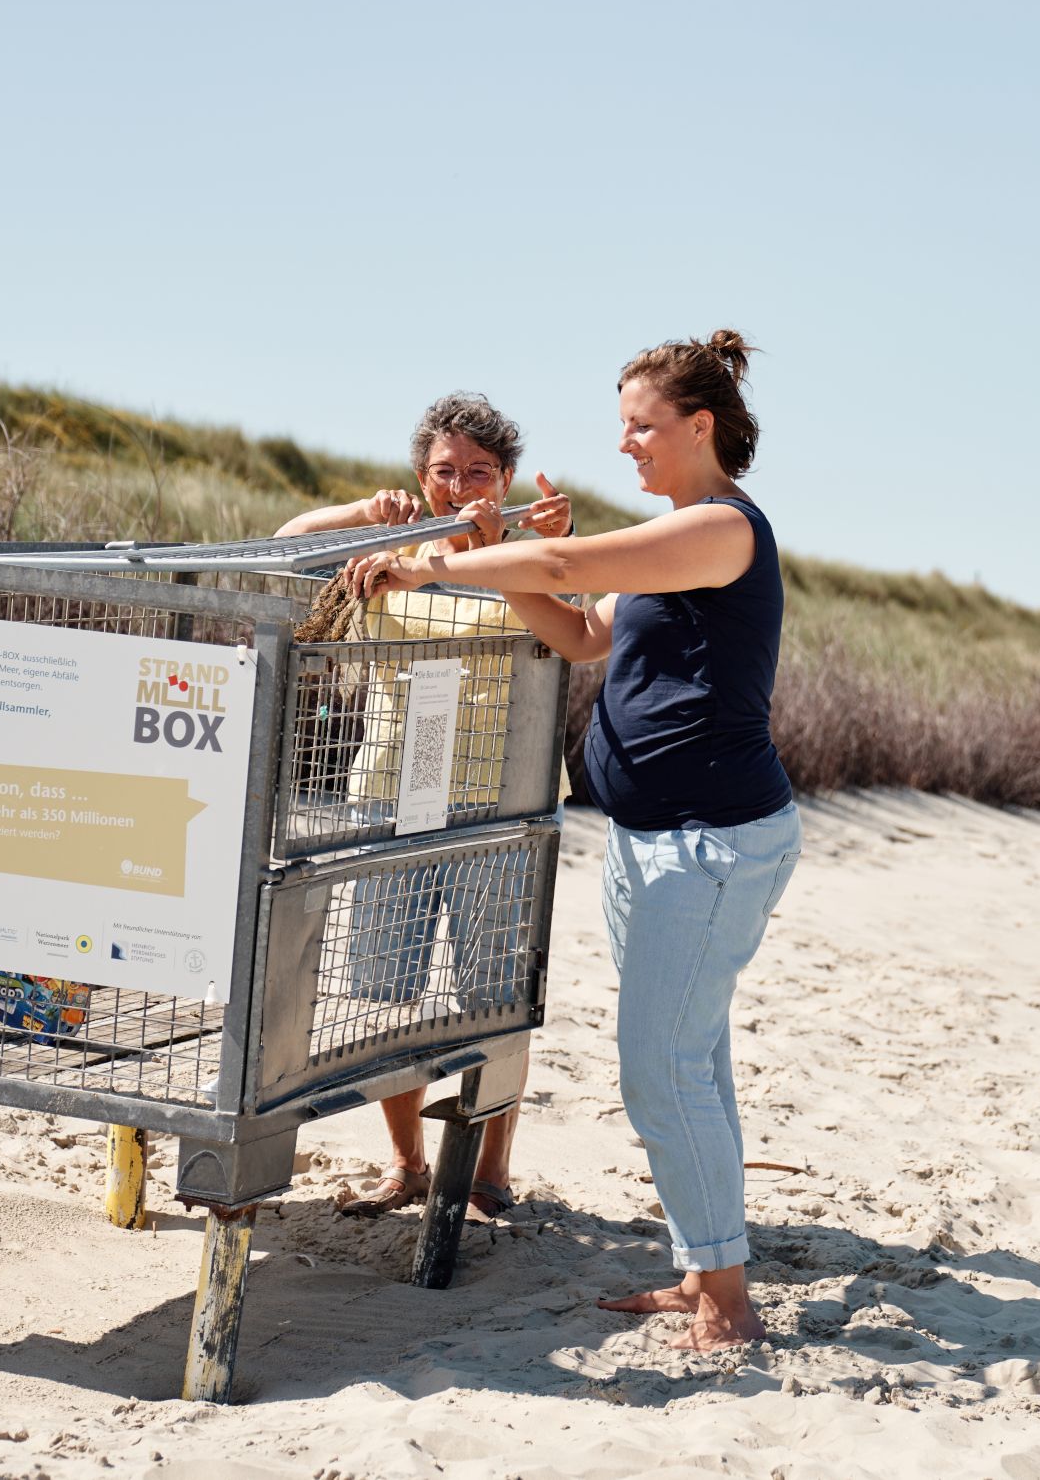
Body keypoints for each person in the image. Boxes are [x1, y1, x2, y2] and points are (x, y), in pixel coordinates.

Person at [353, 329, 798, 1352]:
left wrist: (427, 565)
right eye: (622, 425)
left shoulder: (722, 531)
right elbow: (581, 628)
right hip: (651, 841)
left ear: (698, 425)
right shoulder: (673, 531)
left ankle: (725, 1301)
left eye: (640, 425)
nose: (626, 444)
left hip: (712, 842)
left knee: (660, 1070)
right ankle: (703, 1266)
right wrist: (480, 566)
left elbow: (559, 557)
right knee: (694, 1065)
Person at [275, 392, 572, 1219]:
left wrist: (542, 544)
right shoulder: (389, 546)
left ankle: (487, 1173)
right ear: (423, 476)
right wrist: (367, 513)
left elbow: (579, 630)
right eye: (447, 470)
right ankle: (407, 1165)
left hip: (505, 806)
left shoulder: (537, 554)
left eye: (481, 470)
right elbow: (286, 548)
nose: (463, 484)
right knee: (382, 995)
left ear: (507, 477)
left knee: (497, 997)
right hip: (393, 793)